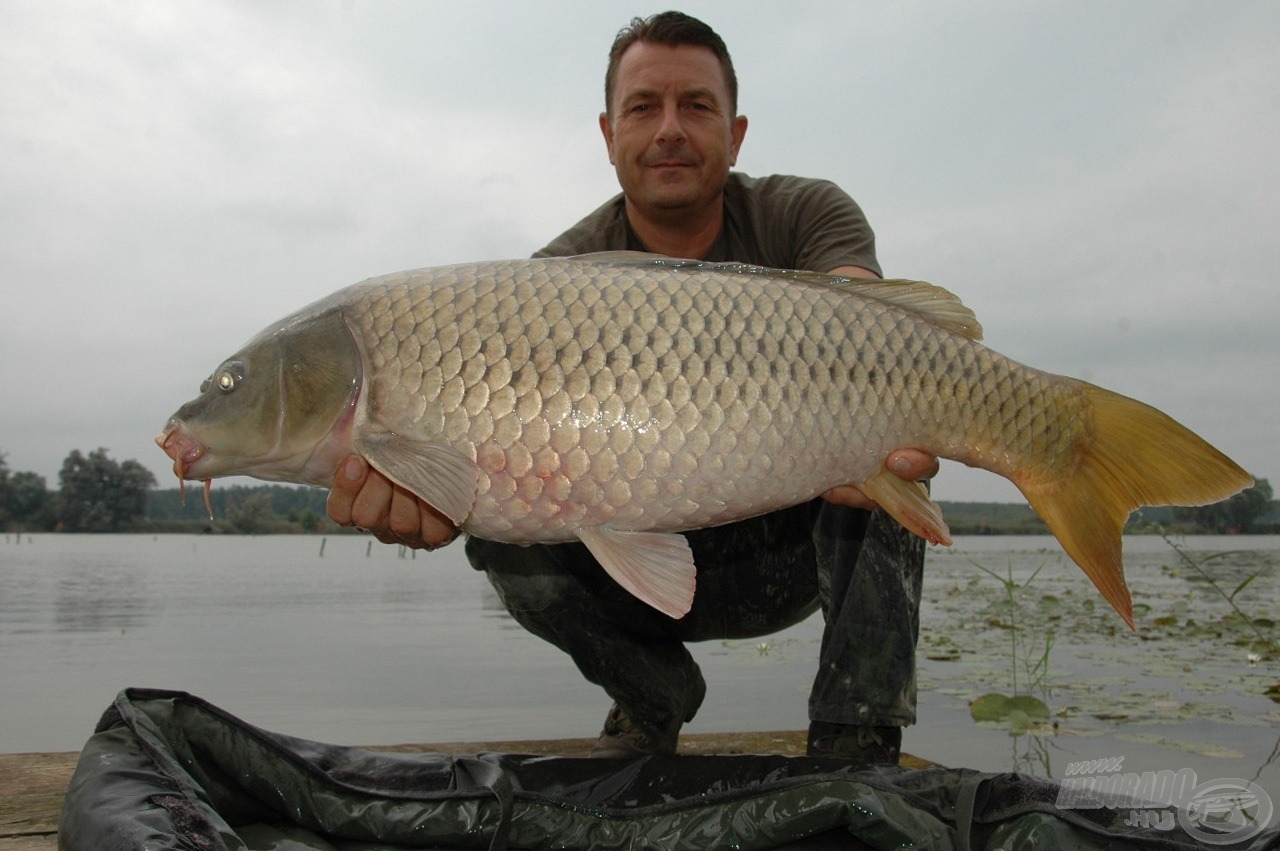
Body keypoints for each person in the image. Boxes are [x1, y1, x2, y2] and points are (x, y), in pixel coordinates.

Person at [327, 11, 937, 762]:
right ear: (609, 132)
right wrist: (429, 486)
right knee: (500, 531)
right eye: (644, 107)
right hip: (631, 563)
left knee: (893, 448)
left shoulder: (804, 214)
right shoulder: (548, 280)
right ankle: (653, 694)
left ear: (736, 132)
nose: (670, 129)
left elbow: (870, 326)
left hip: (789, 545)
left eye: (697, 106)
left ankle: (857, 739)